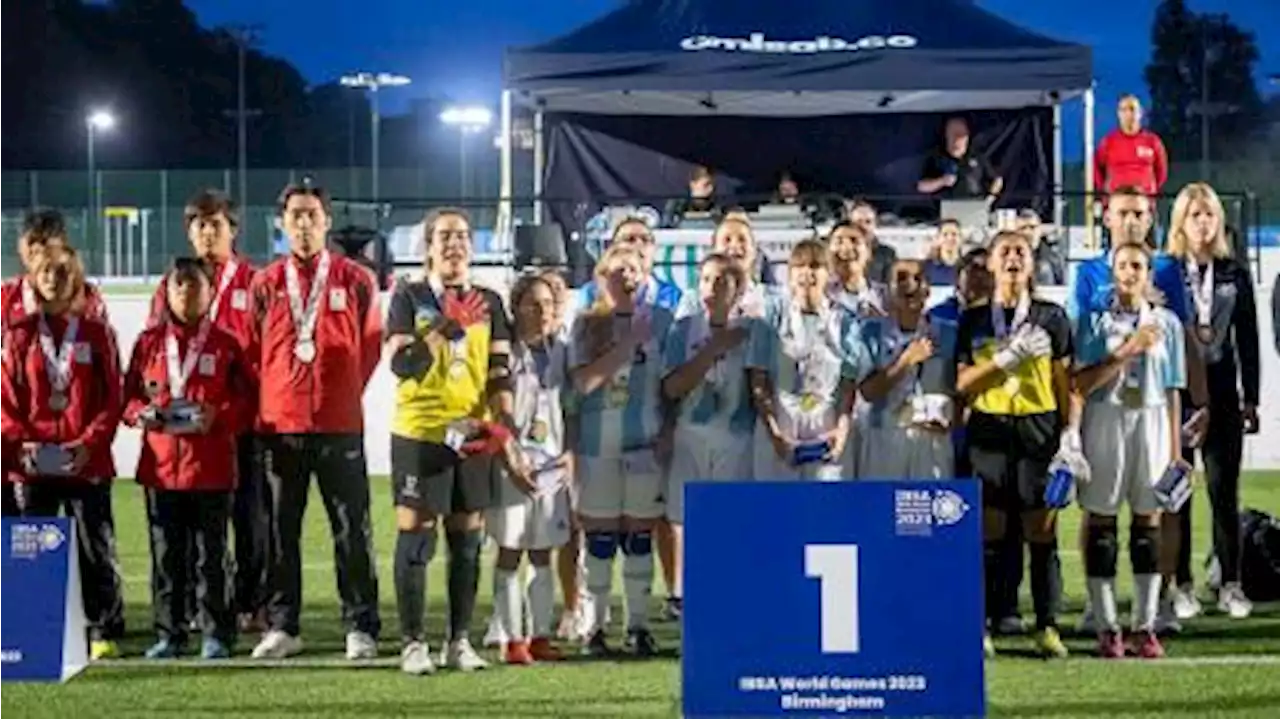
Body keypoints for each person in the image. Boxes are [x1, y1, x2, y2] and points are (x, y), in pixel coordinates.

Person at [1065, 185, 1209, 635]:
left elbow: (1178, 354)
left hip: (1149, 414)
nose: (1131, 220)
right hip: (1105, 411)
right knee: (1100, 510)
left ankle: (1156, 603)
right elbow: (1080, 362)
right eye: (1123, 212)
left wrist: (1191, 415)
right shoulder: (1089, 276)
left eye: (1140, 213)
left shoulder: (1166, 272)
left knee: (1157, 510)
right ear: (1107, 216)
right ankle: (1100, 610)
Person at [249, 182, 383, 661]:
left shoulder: (356, 279)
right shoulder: (264, 283)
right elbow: (252, 352)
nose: (304, 224)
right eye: (295, 216)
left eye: (312, 215)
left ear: (327, 221)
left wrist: (341, 393)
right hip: (280, 427)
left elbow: (369, 348)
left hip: (339, 421)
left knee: (352, 529)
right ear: (282, 223)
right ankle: (284, 625)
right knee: (281, 531)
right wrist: (278, 397)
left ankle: (361, 626)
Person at [384, 207, 514, 675]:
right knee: (416, 538)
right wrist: (444, 327)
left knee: (467, 540)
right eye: (444, 236)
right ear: (428, 248)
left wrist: (503, 423)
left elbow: (500, 371)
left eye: (462, 235)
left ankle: (458, 641)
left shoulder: (491, 301)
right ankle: (413, 643)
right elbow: (402, 366)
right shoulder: (408, 296)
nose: (455, 243)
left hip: (472, 435)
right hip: (421, 433)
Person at [146, 189, 265, 633]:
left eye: (217, 224)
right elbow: (155, 348)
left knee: (250, 518)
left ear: (233, 230)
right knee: (193, 526)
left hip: (240, 422)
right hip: (187, 428)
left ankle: (251, 602)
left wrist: (236, 407)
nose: (208, 232)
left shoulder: (256, 282)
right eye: (200, 225)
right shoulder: (171, 283)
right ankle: (198, 605)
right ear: (189, 232)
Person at [124, 258, 253, 660]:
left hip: (211, 467)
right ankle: (170, 633)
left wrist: (221, 415)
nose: (186, 293)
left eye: (194, 286)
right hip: (161, 469)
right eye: (178, 286)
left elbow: (248, 399)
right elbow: (127, 396)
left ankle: (218, 633)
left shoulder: (226, 344)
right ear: (167, 291)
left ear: (210, 292)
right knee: (166, 557)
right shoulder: (147, 343)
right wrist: (138, 414)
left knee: (211, 557)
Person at [0, 246, 125, 661]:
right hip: (33, 463)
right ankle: (36, 630)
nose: (53, 278)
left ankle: (101, 628)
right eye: (45, 271)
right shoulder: (17, 334)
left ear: (76, 279)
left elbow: (113, 397)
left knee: (95, 548)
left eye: (62, 271)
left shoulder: (96, 333)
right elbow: (4, 399)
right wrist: (23, 442)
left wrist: (89, 443)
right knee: (32, 550)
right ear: (32, 277)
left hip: (84, 461)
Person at [956, 231, 1072, 659]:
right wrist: (1005, 360)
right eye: (1004, 251)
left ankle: (1046, 625)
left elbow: (1066, 384)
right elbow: (963, 385)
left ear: (1032, 264)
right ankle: (982, 625)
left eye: (1021, 252)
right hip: (989, 431)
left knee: (1042, 533)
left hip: (1038, 432)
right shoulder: (974, 320)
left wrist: (1070, 435)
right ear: (989, 263)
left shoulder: (1052, 316)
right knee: (989, 533)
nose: (1012, 258)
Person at [1071, 242, 1185, 659]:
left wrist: (1175, 450)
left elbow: (1173, 389)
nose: (1130, 272)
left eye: (1137, 265)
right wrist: (1127, 350)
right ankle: (1106, 625)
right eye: (1122, 265)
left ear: (1148, 273)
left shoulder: (1167, 324)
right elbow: (1080, 384)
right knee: (1101, 519)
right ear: (1112, 273)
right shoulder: (1093, 323)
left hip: (1152, 420)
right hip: (1107, 417)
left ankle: (1144, 624)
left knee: (1147, 522)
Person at [568, 243, 676, 657]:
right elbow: (583, 384)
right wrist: (626, 345)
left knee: (639, 537)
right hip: (597, 447)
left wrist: (667, 429)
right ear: (602, 279)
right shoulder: (586, 325)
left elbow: (670, 387)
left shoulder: (663, 322)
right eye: (617, 271)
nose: (626, 277)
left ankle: (638, 626)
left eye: (634, 270)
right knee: (598, 540)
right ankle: (593, 628)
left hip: (644, 445)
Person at [1164, 182, 1259, 621]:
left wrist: (1251, 398)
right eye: (1195, 214)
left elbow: (1248, 338)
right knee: (1177, 490)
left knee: (1224, 491)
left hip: (1222, 390)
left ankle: (1230, 583)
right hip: (1175, 392)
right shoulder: (1165, 270)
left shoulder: (1233, 272)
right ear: (1180, 221)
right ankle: (1180, 584)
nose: (1203, 223)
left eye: (1210, 214)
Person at [660, 254, 756, 621]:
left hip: (736, 436)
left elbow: (760, 386)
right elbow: (671, 387)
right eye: (706, 280)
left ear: (739, 289)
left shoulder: (753, 331)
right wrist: (713, 350)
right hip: (690, 434)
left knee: (729, 519)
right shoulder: (682, 330)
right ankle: (686, 596)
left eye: (722, 281)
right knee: (685, 520)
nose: (711, 289)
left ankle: (729, 593)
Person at [483, 274, 571, 666]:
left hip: (550, 467)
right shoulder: (502, 355)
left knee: (542, 553)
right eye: (533, 304)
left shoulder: (561, 352)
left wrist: (570, 454)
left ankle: (539, 635)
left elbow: (570, 410)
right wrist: (508, 455)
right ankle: (510, 636)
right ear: (515, 308)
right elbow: (493, 410)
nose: (542, 312)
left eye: (549, 305)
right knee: (508, 552)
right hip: (511, 464)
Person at [746, 240, 863, 482]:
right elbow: (758, 380)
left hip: (825, 425)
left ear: (828, 274)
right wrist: (775, 433)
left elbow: (848, 384)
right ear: (789, 274)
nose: (807, 273)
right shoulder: (771, 316)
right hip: (781, 422)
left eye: (815, 266)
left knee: (826, 510)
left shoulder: (844, 321)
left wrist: (841, 430)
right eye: (799, 266)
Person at [857, 259, 954, 480]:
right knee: (880, 509)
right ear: (887, 291)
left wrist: (952, 419)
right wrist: (905, 361)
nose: (910, 284)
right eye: (900, 278)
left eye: (918, 279)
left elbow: (958, 388)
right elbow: (868, 391)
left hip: (931, 437)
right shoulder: (870, 332)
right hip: (885, 436)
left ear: (928, 290)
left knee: (928, 510)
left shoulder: (947, 333)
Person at [1094, 95, 1169, 198]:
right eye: (1124, 110)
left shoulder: (1153, 141)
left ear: (1140, 113)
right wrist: (1105, 193)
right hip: (1116, 202)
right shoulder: (1108, 142)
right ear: (1118, 114)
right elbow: (1097, 170)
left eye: (1132, 109)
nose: (1128, 114)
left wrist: (1149, 190)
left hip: (1145, 202)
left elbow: (1162, 172)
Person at [917, 116, 1003, 203]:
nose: (956, 140)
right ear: (946, 134)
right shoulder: (937, 157)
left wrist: (990, 198)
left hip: (974, 204)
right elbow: (921, 186)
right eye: (953, 134)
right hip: (946, 207)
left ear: (967, 137)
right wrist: (941, 181)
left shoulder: (977, 156)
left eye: (960, 135)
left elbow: (997, 179)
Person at [826, 221, 887, 318]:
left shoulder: (885, 297)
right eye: (839, 242)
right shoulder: (821, 293)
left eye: (854, 240)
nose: (846, 248)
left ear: (868, 252)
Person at [845, 201, 898, 285]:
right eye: (858, 222)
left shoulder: (887, 253)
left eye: (868, 222)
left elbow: (890, 285)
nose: (863, 227)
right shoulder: (840, 252)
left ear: (875, 224)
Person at [922, 218, 964, 286]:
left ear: (961, 238)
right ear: (938, 238)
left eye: (954, 234)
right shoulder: (927, 268)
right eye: (945, 234)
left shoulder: (968, 267)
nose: (950, 238)